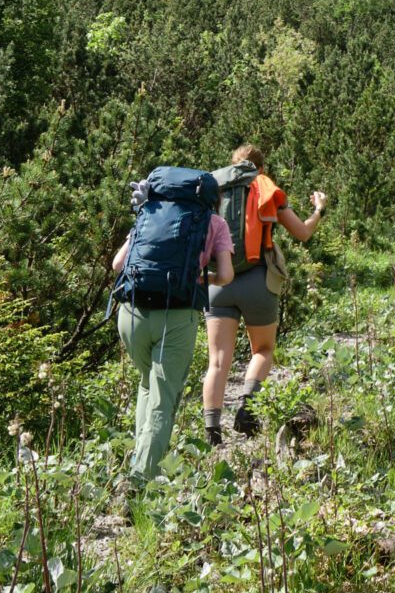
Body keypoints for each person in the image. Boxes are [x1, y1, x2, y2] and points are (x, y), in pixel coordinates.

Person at [109, 174, 234, 487]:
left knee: (147, 384)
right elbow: (227, 275)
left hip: (131, 313)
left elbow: (117, 265)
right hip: (177, 317)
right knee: (164, 400)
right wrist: (200, 280)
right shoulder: (214, 223)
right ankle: (139, 482)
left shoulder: (148, 212)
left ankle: (141, 460)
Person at [200, 142, 329, 442]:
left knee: (217, 361)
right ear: (261, 168)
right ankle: (247, 408)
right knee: (263, 350)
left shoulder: (214, 188)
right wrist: (319, 209)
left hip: (218, 281)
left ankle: (211, 432)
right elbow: (303, 232)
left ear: (232, 164)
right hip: (257, 280)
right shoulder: (266, 187)